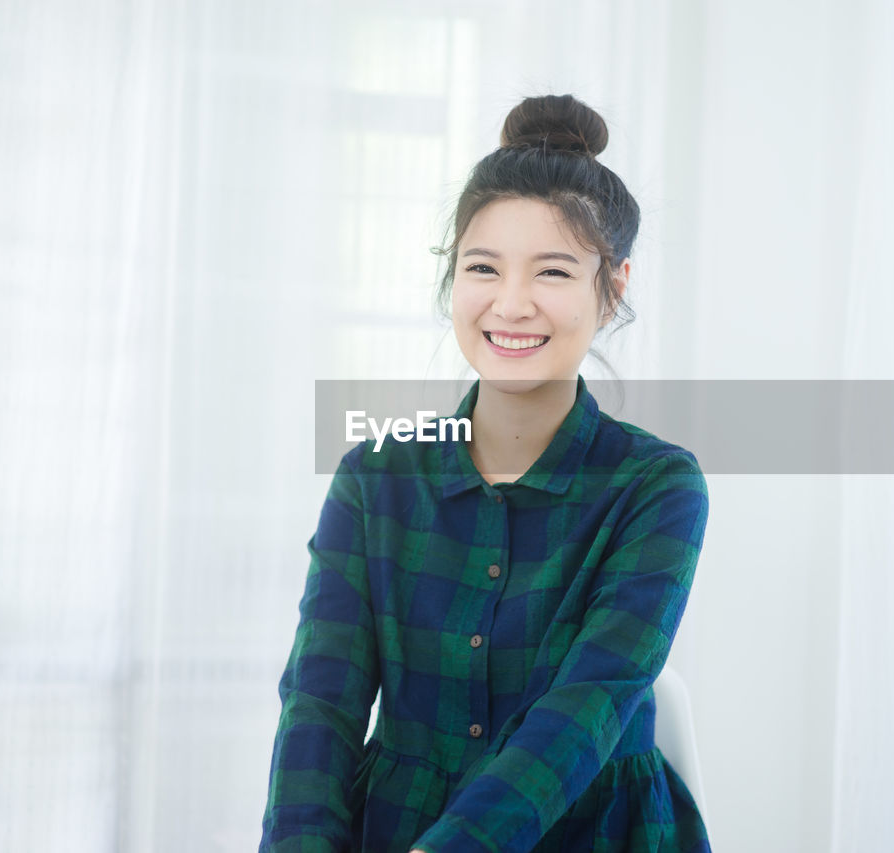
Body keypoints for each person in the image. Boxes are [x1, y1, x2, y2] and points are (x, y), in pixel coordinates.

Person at [260, 93, 711, 852]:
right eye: (483, 267)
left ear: (614, 289)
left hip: (592, 831)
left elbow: (585, 710)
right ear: (452, 278)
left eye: (554, 272)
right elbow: (320, 710)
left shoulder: (656, 487)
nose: (511, 304)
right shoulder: (375, 478)